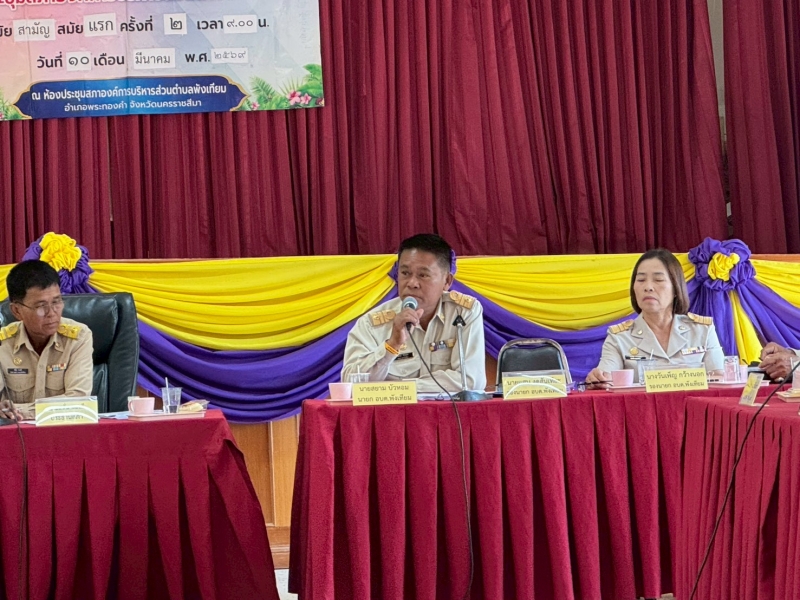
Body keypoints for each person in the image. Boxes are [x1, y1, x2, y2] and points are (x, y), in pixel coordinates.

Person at [341, 233, 486, 393]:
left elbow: (470, 381)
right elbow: (351, 383)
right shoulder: (372, 323)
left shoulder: (463, 312)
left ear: (447, 281)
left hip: (447, 409)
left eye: (423, 275)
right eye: (405, 273)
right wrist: (391, 345)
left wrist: (402, 389)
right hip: (394, 409)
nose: (412, 283)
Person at [586, 248, 724, 388]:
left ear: (676, 288)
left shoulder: (702, 330)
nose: (648, 287)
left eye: (658, 280)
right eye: (641, 280)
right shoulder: (619, 337)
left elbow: (719, 380)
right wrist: (599, 379)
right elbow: (606, 378)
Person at [0, 260, 93, 421]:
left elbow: (78, 401)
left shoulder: (78, 336)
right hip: (14, 433)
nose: (52, 313)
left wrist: (20, 411)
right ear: (16, 311)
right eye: (41, 306)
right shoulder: (3, 343)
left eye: (56, 302)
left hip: (64, 431)